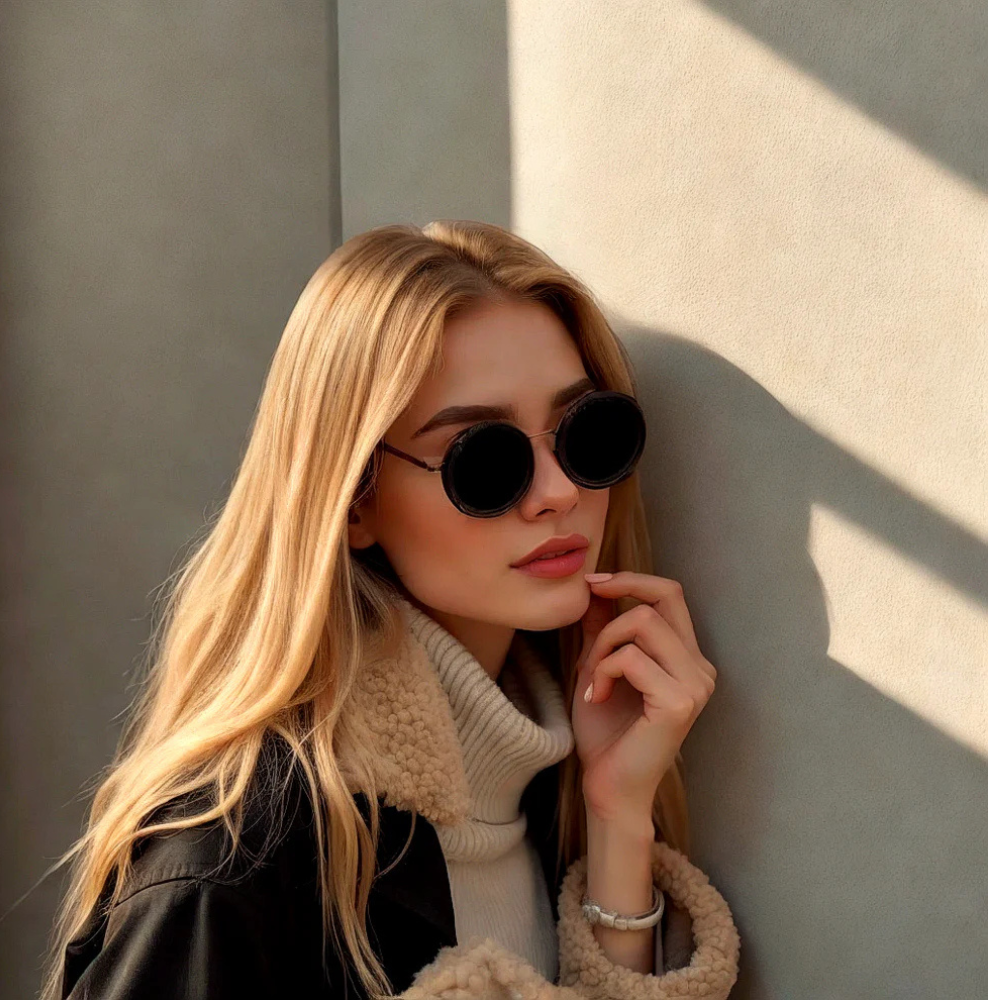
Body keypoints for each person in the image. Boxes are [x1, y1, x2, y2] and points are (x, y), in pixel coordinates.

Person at [42, 220, 740, 999]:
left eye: (587, 434)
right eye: (484, 458)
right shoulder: (232, 868)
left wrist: (618, 821)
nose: (558, 492)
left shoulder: (565, 790)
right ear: (353, 503)